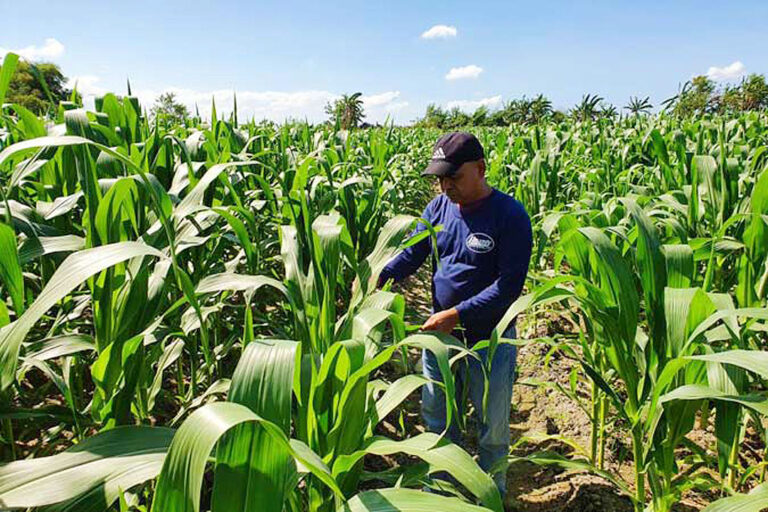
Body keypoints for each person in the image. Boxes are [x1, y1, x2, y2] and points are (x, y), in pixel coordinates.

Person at [378, 132, 533, 496]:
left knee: (492, 430)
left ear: (480, 169)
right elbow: (412, 254)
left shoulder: (510, 216)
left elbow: (508, 287)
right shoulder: (437, 209)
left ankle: (488, 497)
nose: (446, 186)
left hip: (489, 342)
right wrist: (380, 275)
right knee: (437, 423)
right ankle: (440, 496)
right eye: (440, 178)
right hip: (442, 339)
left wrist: (457, 314)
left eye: (454, 177)